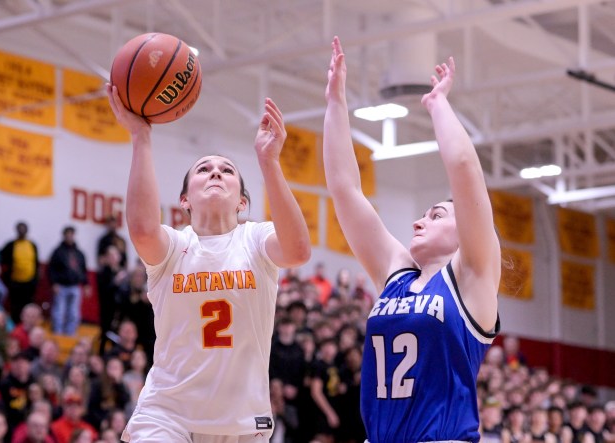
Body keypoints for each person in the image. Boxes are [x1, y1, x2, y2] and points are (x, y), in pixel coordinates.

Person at [105, 81, 311, 443]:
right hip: (167, 415)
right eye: (204, 169)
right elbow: (141, 229)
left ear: (242, 202)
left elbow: (297, 251)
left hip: (243, 424)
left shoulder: (256, 239)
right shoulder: (174, 247)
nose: (216, 172)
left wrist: (269, 162)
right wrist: (141, 136)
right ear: (185, 200)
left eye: (227, 170)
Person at [323, 36, 500, 443]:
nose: (420, 221)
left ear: (466, 233)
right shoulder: (396, 275)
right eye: (421, 215)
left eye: (436, 214)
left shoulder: (472, 277)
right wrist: (336, 103)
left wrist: (438, 105)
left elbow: (464, 167)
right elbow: (345, 190)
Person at [47, 226, 91, 336]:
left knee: (74, 313)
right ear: (64, 235)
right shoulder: (58, 252)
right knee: (59, 312)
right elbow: (51, 269)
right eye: (67, 234)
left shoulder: (79, 253)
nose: (69, 236)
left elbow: (83, 270)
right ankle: (58, 333)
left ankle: (70, 333)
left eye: (71, 234)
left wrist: (86, 284)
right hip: (61, 286)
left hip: (75, 286)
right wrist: (54, 283)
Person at [0, 221, 40, 324]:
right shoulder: (11, 245)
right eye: (20, 229)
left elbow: (36, 263)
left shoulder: (32, 245)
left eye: (24, 229)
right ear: (16, 230)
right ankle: (15, 325)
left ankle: (27, 325)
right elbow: (1, 259)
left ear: (27, 231)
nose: (22, 231)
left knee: (28, 306)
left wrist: (35, 280)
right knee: (15, 306)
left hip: (29, 283)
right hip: (15, 282)